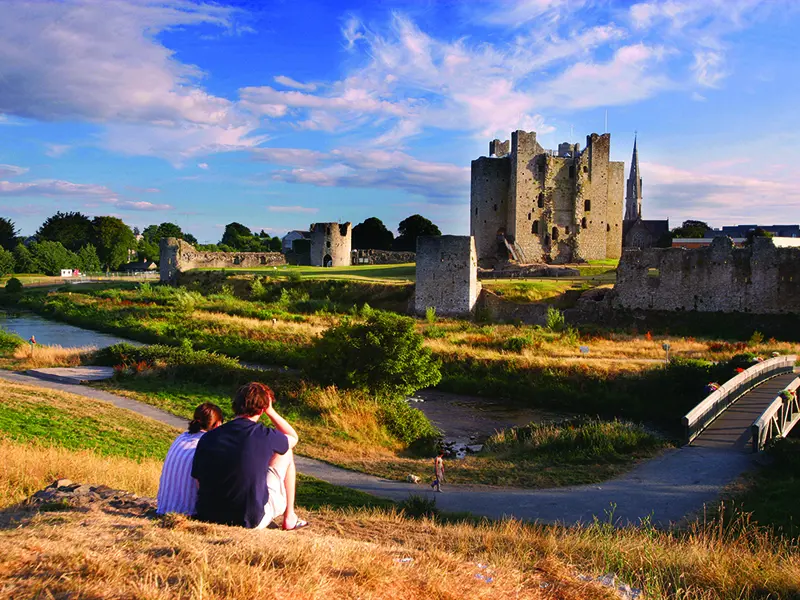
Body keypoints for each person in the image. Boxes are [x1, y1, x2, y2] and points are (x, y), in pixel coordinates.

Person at [191, 382, 307, 531]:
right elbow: (292, 437)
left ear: (235, 405)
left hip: (207, 514)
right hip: (248, 519)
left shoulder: (208, 437)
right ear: (263, 408)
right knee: (287, 452)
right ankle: (290, 517)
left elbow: (198, 480)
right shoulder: (264, 435)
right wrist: (271, 412)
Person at [156, 402, 223, 516]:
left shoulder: (181, 437)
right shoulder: (208, 444)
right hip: (188, 512)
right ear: (217, 424)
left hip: (164, 508)